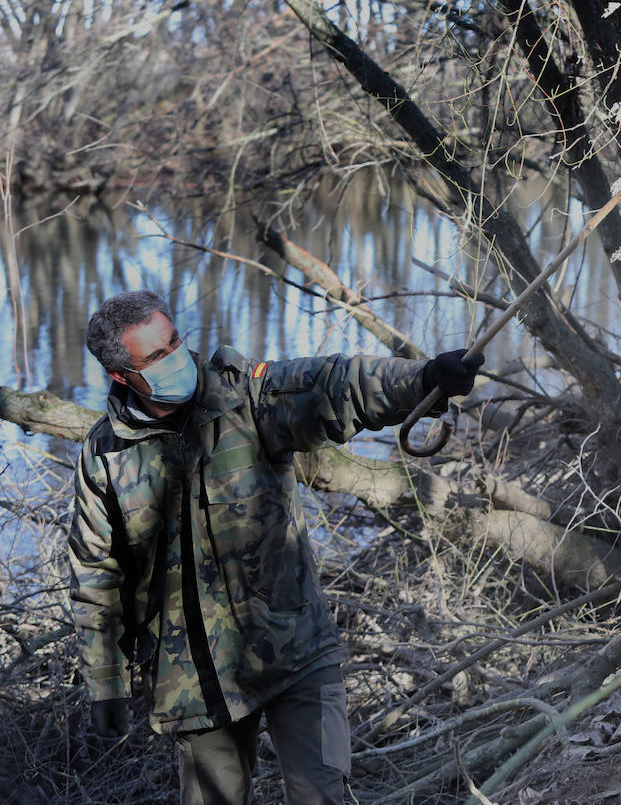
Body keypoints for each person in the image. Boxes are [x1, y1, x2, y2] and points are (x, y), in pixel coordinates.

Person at [68, 290, 483, 804]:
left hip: (297, 648)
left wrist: (422, 381)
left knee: (321, 797)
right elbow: (96, 575)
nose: (176, 358)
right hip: (192, 678)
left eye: (175, 341)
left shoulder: (247, 396)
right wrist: (105, 679)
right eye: (156, 357)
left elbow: (335, 384)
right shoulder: (105, 455)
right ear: (121, 375)